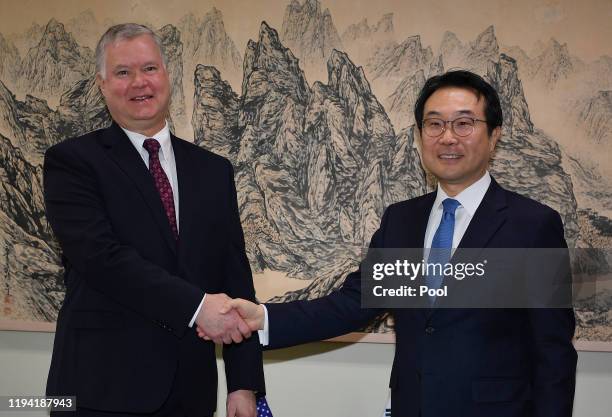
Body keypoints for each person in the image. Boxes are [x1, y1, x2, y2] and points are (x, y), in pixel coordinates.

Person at [212, 70, 577, 417]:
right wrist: (263, 319)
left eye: (464, 123)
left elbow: (553, 352)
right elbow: (350, 305)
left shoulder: (532, 226)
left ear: (494, 135)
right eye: (434, 124)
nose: (447, 137)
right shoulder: (402, 221)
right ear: (419, 136)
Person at [44, 23, 264, 417]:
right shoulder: (72, 163)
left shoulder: (213, 171)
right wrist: (198, 307)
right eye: (122, 72)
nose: (138, 83)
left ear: (167, 74)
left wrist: (244, 384)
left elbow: (234, 274)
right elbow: (102, 258)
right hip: (99, 391)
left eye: (148, 68)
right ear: (102, 84)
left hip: (190, 392)